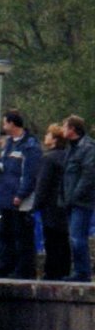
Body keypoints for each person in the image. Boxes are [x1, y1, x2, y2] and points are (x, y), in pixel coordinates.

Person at [0, 109, 41, 279]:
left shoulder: (30, 146)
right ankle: (5, 267)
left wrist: (21, 194)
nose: (3, 126)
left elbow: (30, 174)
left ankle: (24, 271)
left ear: (12, 124)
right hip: (5, 197)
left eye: (5, 122)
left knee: (22, 236)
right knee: (5, 234)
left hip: (19, 199)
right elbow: (6, 164)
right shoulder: (10, 144)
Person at [61, 115, 95, 282]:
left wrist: (74, 196)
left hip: (81, 201)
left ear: (72, 129)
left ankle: (82, 272)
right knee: (74, 237)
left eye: (65, 126)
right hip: (70, 200)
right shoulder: (71, 148)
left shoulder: (87, 148)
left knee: (77, 238)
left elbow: (88, 175)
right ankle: (79, 270)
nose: (62, 130)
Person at [35, 123, 72, 280]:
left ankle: (51, 271)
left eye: (48, 134)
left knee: (51, 239)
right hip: (65, 204)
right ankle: (65, 270)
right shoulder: (69, 156)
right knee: (64, 239)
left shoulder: (48, 159)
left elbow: (43, 185)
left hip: (51, 205)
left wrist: (36, 205)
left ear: (55, 139)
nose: (45, 137)